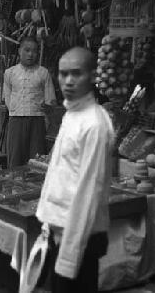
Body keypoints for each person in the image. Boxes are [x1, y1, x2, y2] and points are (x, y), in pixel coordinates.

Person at [35, 47, 114, 293]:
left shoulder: (95, 124)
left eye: (76, 74)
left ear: (92, 76)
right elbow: (59, 173)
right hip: (58, 231)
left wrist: (69, 256)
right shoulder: (71, 114)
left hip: (80, 237)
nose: (68, 81)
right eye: (63, 74)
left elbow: (88, 193)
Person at [3, 37, 56, 167]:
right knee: (15, 158)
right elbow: (7, 97)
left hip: (37, 121)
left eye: (34, 51)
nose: (31, 54)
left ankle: (34, 187)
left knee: (36, 159)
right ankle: (14, 187)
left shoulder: (43, 73)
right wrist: (15, 110)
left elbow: (51, 100)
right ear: (19, 51)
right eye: (27, 50)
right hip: (16, 120)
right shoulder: (10, 73)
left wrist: (47, 111)